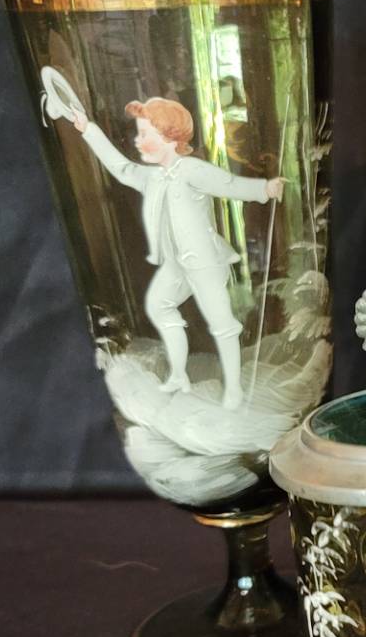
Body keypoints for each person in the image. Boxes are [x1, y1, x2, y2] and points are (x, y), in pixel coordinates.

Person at [66, 98, 282, 409]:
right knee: (158, 305)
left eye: (144, 134)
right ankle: (179, 375)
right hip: (176, 264)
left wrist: (265, 189)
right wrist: (88, 129)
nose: (137, 140)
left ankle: (234, 389)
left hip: (205, 264)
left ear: (169, 136)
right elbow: (121, 168)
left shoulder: (192, 170)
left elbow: (230, 184)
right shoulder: (153, 177)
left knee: (222, 324)